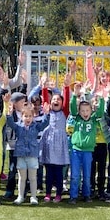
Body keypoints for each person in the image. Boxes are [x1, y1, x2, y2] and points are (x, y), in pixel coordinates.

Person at [7, 102, 51, 205]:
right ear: (21, 116)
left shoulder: (36, 126)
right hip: (21, 155)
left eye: (30, 116)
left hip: (32, 155)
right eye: (25, 116)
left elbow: (45, 124)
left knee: (32, 177)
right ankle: (20, 196)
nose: (28, 118)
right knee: (22, 178)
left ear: (33, 116)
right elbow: (11, 124)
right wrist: (9, 114)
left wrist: (46, 114)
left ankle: (33, 197)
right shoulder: (18, 126)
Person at [68, 90, 105, 204]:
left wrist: (101, 100)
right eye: (82, 110)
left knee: (87, 175)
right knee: (75, 175)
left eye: (87, 110)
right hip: (76, 150)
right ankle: (73, 196)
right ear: (79, 111)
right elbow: (72, 108)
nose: (85, 113)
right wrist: (74, 96)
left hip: (88, 151)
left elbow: (100, 113)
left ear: (91, 111)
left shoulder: (94, 119)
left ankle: (87, 194)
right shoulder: (77, 118)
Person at [40, 75, 71, 203]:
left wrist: (66, 86)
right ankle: (48, 193)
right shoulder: (48, 112)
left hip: (59, 147)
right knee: (49, 173)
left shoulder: (64, 112)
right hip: (48, 144)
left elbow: (67, 99)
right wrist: (43, 86)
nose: (56, 101)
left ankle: (58, 194)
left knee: (58, 173)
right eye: (53, 99)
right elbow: (45, 101)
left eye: (58, 99)